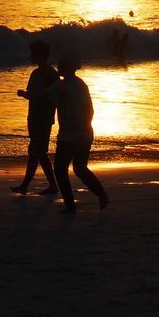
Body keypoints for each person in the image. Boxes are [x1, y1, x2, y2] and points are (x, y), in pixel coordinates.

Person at [49, 53, 109, 213]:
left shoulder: (77, 85)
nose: (58, 67)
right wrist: (27, 95)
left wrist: (82, 127)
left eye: (61, 65)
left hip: (76, 135)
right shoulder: (61, 85)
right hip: (76, 134)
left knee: (64, 169)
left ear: (68, 68)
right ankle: (100, 195)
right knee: (77, 169)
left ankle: (72, 204)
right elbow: (44, 95)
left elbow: (89, 110)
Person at [11, 40, 58, 195]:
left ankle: (26, 185)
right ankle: (51, 185)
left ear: (40, 54)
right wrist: (26, 95)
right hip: (34, 116)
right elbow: (33, 94)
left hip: (43, 118)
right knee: (38, 152)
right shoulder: (36, 73)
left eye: (33, 53)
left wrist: (25, 94)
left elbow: (50, 97)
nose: (31, 56)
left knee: (36, 150)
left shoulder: (51, 74)